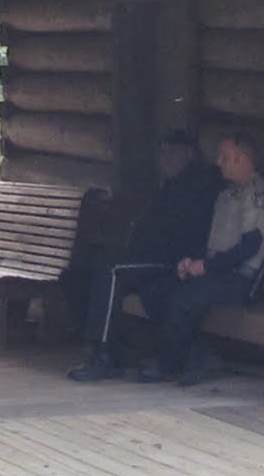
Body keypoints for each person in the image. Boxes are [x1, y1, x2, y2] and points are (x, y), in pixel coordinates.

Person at [69, 129, 222, 381]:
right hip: (149, 257)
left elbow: (178, 236)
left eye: (172, 152)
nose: (166, 158)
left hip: (171, 261)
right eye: (162, 152)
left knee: (112, 270)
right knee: (86, 270)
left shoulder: (198, 187)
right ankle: (112, 349)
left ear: (189, 154)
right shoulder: (171, 186)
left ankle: (103, 355)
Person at [137, 131, 264, 387]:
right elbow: (215, 242)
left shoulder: (258, 196)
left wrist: (206, 267)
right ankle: (198, 353)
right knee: (157, 291)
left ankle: (170, 365)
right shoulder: (226, 195)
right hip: (218, 272)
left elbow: (249, 247)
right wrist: (191, 263)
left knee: (185, 300)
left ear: (242, 159)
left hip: (243, 279)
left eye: (225, 157)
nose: (218, 162)